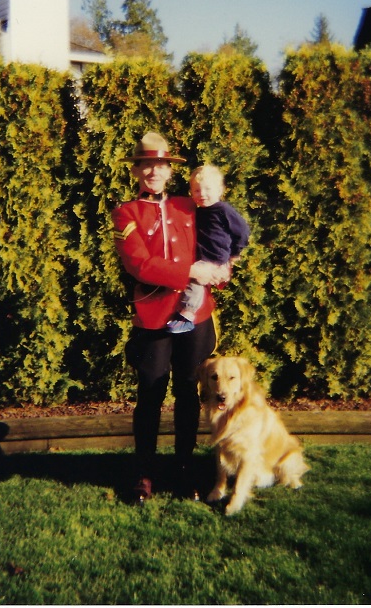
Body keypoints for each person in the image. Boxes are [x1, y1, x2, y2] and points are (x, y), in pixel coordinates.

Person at [112, 132, 224, 503]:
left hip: (196, 315)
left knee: (188, 393)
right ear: (137, 170)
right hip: (155, 318)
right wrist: (192, 273)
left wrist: (223, 269)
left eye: (160, 165)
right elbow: (140, 265)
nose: (153, 171)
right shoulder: (126, 212)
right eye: (146, 165)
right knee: (150, 393)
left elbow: (219, 237)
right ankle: (144, 473)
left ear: (169, 171)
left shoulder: (188, 206)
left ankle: (184, 470)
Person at [167, 164, 250, 333]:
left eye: (207, 189)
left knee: (196, 282)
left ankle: (187, 315)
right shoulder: (198, 211)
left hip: (215, 258)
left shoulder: (223, 210)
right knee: (194, 279)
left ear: (220, 190)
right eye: (197, 190)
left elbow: (242, 231)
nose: (202, 194)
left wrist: (234, 253)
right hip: (202, 256)